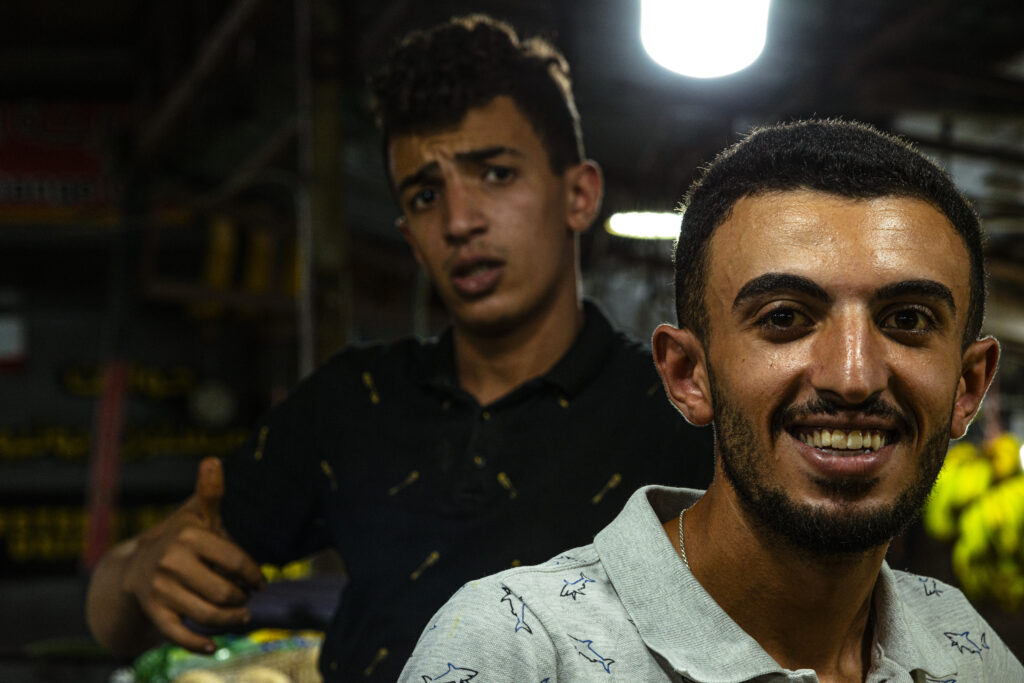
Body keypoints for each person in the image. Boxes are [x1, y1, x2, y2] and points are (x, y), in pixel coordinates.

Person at [85, 15, 715, 681]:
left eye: (496, 174)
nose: (460, 220)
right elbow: (112, 618)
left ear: (579, 194)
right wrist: (137, 576)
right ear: (410, 238)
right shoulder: (354, 401)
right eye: (424, 193)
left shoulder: (675, 411)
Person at [398, 119, 1024, 681]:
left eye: (909, 320)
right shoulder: (520, 649)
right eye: (785, 318)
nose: (853, 378)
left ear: (968, 387)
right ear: (687, 375)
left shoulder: (966, 654)